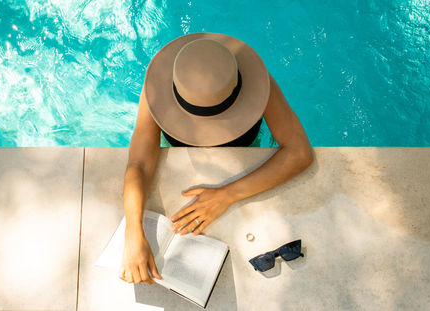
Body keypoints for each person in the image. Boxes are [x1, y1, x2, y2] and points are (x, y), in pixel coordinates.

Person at [119, 33, 313, 285]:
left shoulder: (259, 84)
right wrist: (133, 232)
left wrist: (227, 194)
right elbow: (139, 164)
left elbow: (300, 153)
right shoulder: (156, 89)